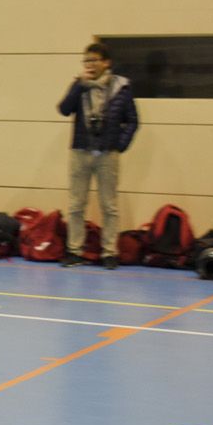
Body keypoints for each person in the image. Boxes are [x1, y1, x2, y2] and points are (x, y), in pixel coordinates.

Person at [57, 42, 139, 268]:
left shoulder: (121, 88)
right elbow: (64, 109)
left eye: (94, 60)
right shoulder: (79, 85)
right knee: (76, 204)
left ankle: (109, 252)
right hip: (80, 152)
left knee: (109, 206)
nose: (90, 65)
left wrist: (119, 145)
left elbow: (132, 121)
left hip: (107, 154)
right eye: (86, 61)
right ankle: (74, 250)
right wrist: (79, 87)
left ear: (106, 62)